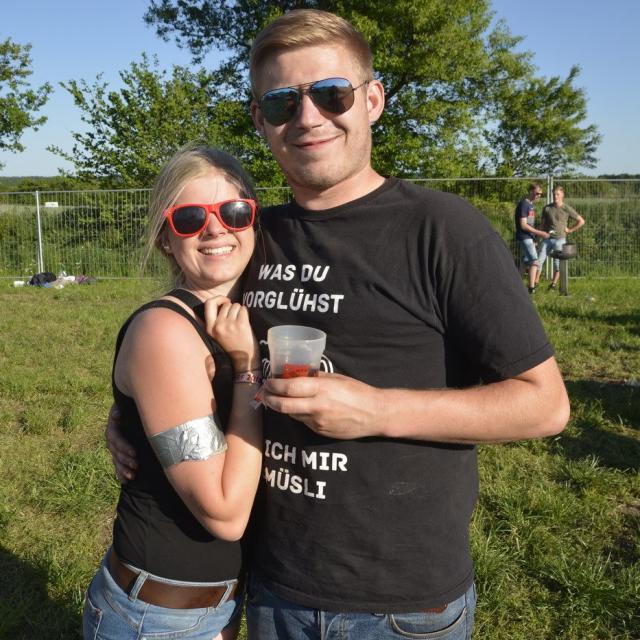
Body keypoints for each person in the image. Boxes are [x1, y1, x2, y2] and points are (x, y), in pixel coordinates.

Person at [109, 10, 570, 639]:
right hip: (270, 585)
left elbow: (544, 406)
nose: (308, 117)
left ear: (372, 100)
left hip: (398, 604)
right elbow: (176, 343)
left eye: (332, 94)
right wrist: (131, 419)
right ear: (260, 119)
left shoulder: (442, 230)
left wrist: (377, 410)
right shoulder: (251, 233)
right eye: (282, 102)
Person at [85, 144, 263, 640]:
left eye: (233, 211)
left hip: (222, 602)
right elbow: (225, 512)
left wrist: (127, 418)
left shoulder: (249, 312)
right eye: (189, 218)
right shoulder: (164, 334)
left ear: (253, 220)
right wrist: (248, 370)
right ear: (166, 238)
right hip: (163, 615)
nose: (215, 229)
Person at [536, 185, 585, 289]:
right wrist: (539, 237)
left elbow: (581, 221)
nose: (555, 196)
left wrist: (570, 230)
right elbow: (542, 224)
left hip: (560, 240)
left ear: (562, 195)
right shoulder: (547, 208)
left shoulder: (566, 208)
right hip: (547, 239)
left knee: (557, 263)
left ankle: (553, 285)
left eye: (557, 194)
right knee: (539, 260)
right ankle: (535, 283)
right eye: (554, 194)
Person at [514, 182, 550, 293]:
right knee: (535, 262)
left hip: (529, 238)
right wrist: (540, 233)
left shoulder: (531, 205)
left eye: (540, 194)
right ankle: (531, 288)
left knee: (525, 261)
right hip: (524, 237)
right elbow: (523, 225)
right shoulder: (524, 205)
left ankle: (516, 286)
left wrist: (534, 238)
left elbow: (530, 224)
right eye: (537, 193)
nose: (539, 196)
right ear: (531, 191)